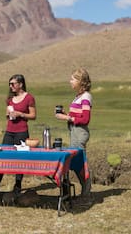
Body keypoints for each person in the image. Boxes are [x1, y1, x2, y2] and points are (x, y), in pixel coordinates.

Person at [0, 74, 36, 194]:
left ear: (20, 84)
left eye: (13, 84)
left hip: (22, 132)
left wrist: (21, 114)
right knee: (1, 156)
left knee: (20, 159)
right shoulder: (9, 99)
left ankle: (17, 185)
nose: (10, 86)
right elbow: (7, 113)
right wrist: (9, 115)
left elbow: (33, 116)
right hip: (9, 131)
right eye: (9, 84)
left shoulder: (29, 98)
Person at [55, 67, 92, 199]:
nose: (70, 81)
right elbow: (78, 115)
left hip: (80, 132)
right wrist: (66, 115)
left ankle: (86, 189)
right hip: (74, 131)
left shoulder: (86, 97)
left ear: (80, 81)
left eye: (72, 79)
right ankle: (85, 189)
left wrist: (67, 118)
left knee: (79, 162)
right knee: (76, 162)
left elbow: (86, 119)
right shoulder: (78, 96)